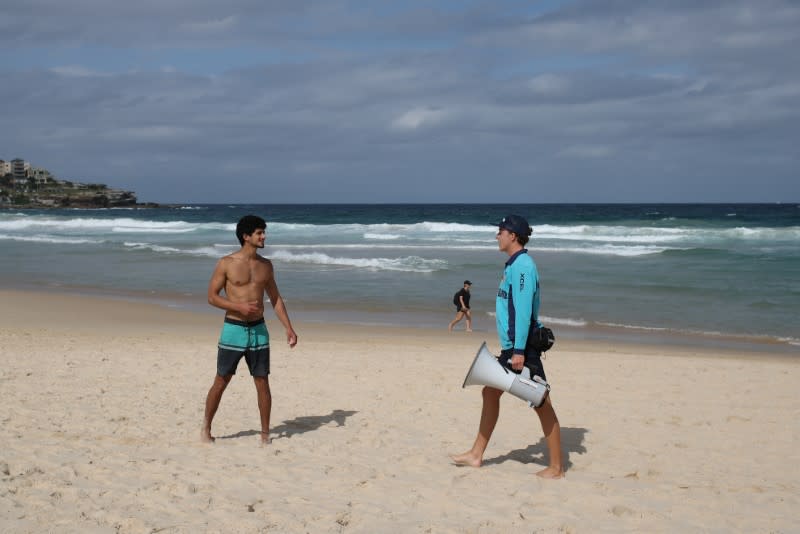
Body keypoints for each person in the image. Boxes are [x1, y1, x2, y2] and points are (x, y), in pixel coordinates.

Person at [451, 214, 563, 478]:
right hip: (513, 346)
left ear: (513, 235)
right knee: (490, 393)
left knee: (541, 402)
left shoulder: (523, 266)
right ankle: (476, 454)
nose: (496, 235)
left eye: (500, 231)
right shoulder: (513, 265)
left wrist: (520, 351)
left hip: (522, 348)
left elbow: (523, 312)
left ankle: (557, 467)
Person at [201, 215, 298, 445]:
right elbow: (211, 297)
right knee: (222, 380)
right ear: (246, 236)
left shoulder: (266, 266)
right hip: (233, 329)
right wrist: (238, 306)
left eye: (264, 232)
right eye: (259, 233)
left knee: (262, 381)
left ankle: (265, 434)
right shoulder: (227, 263)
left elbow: (275, 299)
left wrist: (289, 328)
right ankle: (206, 427)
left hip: (258, 330)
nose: (264, 236)